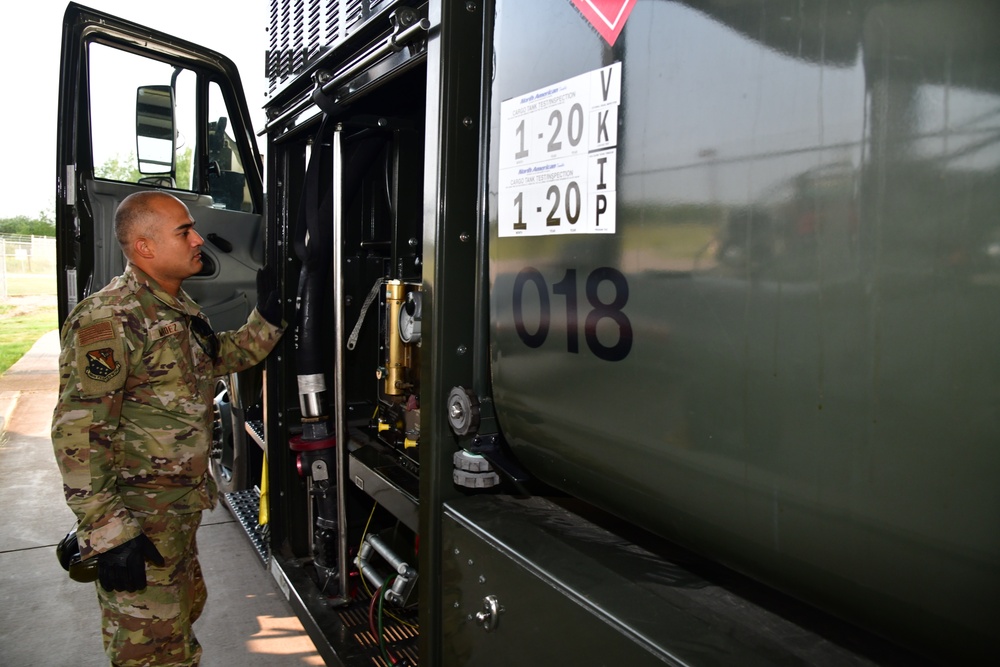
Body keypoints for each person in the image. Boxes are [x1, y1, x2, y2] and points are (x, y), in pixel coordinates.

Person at [51, 191, 285, 666]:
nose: (199, 238)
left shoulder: (173, 308)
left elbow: (219, 357)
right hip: (138, 519)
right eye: (184, 231)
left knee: (176, 627)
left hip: (174, 513)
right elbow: (78, 433)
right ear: (145, 247)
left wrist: (271, 317)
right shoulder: (109, 318)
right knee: (152, 652)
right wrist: (110, 532)